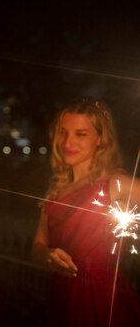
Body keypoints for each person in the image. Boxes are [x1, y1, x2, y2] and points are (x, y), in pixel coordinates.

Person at [32, 98, 140, 327]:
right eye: (63, 132)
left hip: (102, 299)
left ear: (100, 139)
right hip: (60, 296)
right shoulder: (55, 190)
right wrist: (47, 256)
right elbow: (37, 247)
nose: (68, 142)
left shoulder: (114, 184)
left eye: (80, 134)